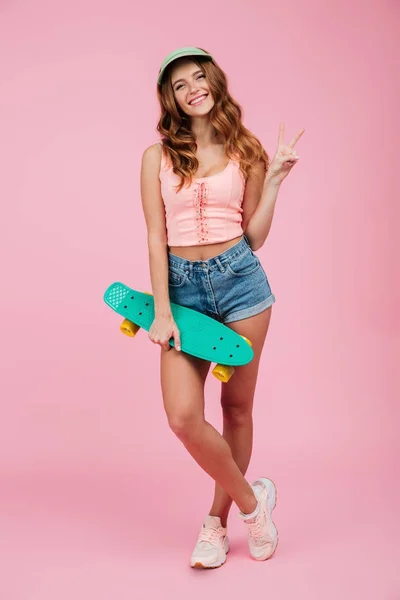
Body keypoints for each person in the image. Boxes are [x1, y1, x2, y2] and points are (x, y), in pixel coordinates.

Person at [140, 46, 304, 569]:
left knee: (236, 410)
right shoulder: (157, 156)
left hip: (240, 284)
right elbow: (154, 236)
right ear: (172, 97)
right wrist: (162, 311)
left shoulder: (246, 150)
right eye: (180, 84)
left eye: (199, 77)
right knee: (184, 416)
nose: (193, 89)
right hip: (183, 292)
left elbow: (254, 237)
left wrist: (274, 179)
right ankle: (255, 504)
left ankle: (217, 521)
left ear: (214, 81)